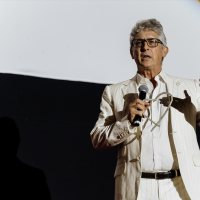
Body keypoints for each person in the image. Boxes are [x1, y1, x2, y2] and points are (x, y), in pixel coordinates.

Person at [90, 19, 200, 200]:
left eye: (152, 42)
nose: (145, 47)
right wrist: (126, 121)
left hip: (181, 185)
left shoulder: (191, 88)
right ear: (132, 53)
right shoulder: (114, 92)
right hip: (137, 187)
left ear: (165, 50)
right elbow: (97, 139)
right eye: (138, 43)